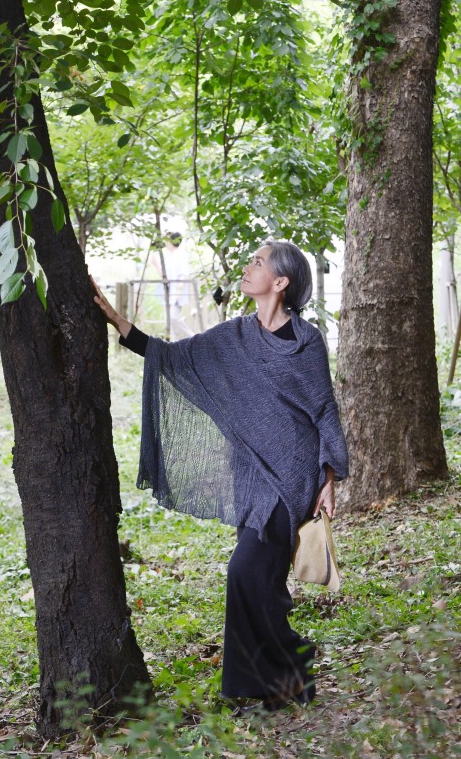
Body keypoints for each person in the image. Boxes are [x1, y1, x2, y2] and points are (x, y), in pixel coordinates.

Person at [91, 239, 349, 711]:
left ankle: (285, 673)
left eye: (258, 262)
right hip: (250, 476)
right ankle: (285, 680)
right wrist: (116, 320)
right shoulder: (234, 337)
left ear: (281, 281)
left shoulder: (307, 343)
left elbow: (323, 409)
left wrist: (329, 479)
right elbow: (173, 357)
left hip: (291, 479)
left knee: (246, 571)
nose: (248, 268)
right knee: (261, 578)